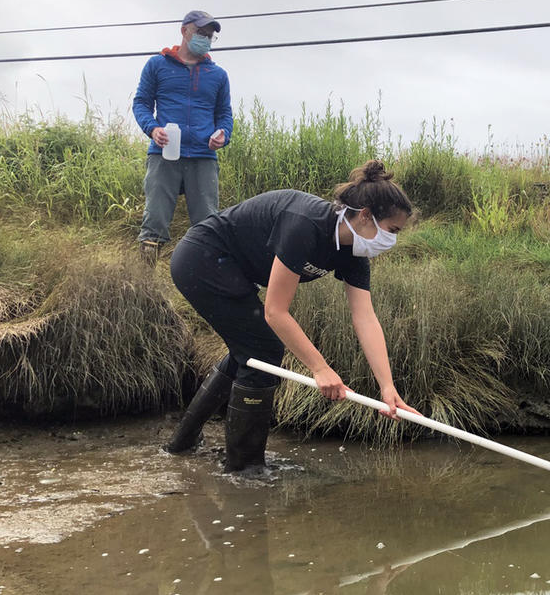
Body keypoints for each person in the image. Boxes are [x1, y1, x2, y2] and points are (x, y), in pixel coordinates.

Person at [165, 159, 420, 472]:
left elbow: (365, 318)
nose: (392, 240)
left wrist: (387, 388)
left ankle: (182, 444)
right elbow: (275, 311)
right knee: (263, 349)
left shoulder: (354, 252)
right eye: (392, 230)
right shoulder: (305, 224)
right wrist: (320, 368)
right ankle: (245, 469)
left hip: (231, 271)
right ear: (366, 215)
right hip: (201, 259)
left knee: (249, 350)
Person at [132, 9, 233, 266]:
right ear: (184, 31)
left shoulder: (218, 75)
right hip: (164, 153)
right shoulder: (157, 65)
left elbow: (224, 115)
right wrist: (153, 129)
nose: (206, 39)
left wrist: (223, 134)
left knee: (209, 224)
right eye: (201, 33)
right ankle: (145, 284)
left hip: (203, 157)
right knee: (154, 220)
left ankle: (207, 280)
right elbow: (141, 103)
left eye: (210, 36)